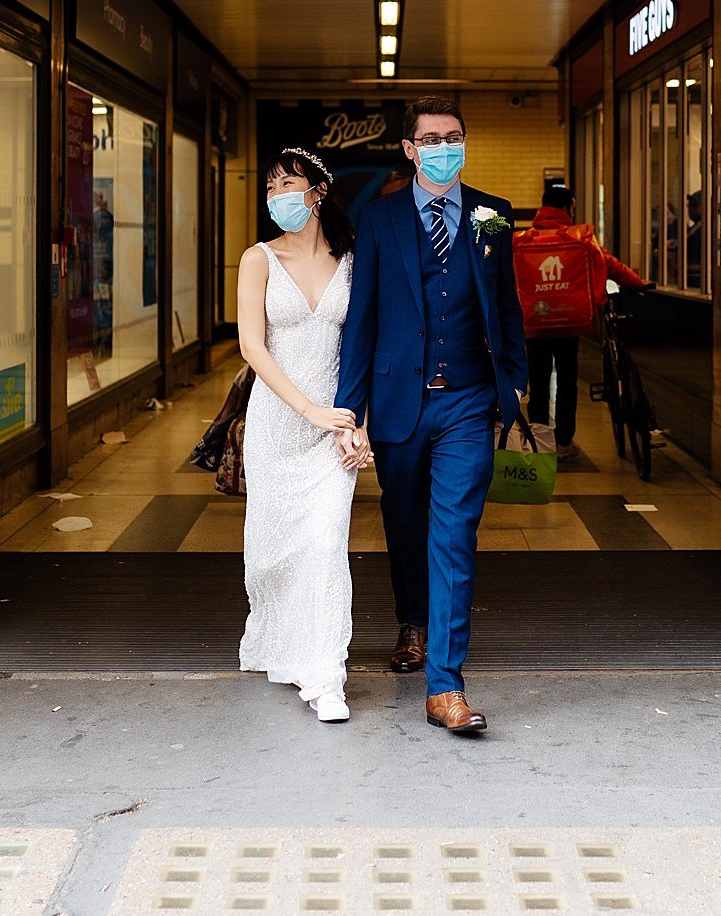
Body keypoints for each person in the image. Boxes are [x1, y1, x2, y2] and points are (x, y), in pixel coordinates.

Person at [336, 96, 529, 735]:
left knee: (454, 535)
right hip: (397, 401)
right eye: (433, 138)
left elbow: (506, 306)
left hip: (469, 401)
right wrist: (350, 409)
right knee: (404, 521)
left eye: (455, 136)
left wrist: (516, 382)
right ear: (411, 150)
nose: (445, 146)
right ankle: (411, 621)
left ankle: (445, 685)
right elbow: (361, 317)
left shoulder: (492, 214)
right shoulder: (381, 219)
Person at [234, 147, 370, 725]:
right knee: (275, 553)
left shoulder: (354, 259)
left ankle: (325, 675)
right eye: (270, 189)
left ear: (317, 190)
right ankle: (283, 643)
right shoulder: (257, 259)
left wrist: (352, 420)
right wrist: (308, 409)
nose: (277, 197)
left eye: (287, 183)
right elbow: (251, 346)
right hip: (278, 423)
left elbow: (364, 345)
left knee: (324, 544)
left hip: (332, 429)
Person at [512, 182, 648, 460]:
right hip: (569, 323)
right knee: (566, 382)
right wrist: (637, 283)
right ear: (566, 208)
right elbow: (608, 263)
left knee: (537, 384)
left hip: (534, 326)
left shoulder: (520, 241)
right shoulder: (582, 238)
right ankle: (563, 442)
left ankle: (539, 442)